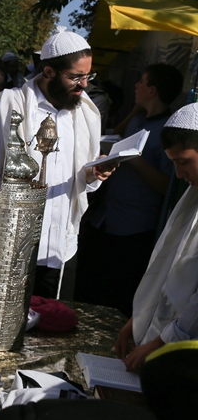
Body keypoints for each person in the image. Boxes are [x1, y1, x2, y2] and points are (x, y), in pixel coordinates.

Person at [0, 27, 115, 299]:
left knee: (54, 326)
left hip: (62, 244)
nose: (84, 85)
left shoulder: (87, 114)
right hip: (12, 243)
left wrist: (93, 174)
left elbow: (82, 185)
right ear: (49, 72)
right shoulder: (13, 104)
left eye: (88, 76)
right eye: (76, 77)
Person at [76, 64, 182, 316]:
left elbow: (168, 186)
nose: (135, 85)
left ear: (152, 90)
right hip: (107, 220)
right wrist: (136, 110)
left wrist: (135, 159)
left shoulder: (168, 130)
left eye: (141, 82)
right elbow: (116, 135)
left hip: (135, 229)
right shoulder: (137, 119)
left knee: (117, 298)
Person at [116, 103, 198, 371]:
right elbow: (169, 267)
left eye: (183, 162)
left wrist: (161, 342)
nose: (179, 174)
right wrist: (141, 318)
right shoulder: (192, 195)